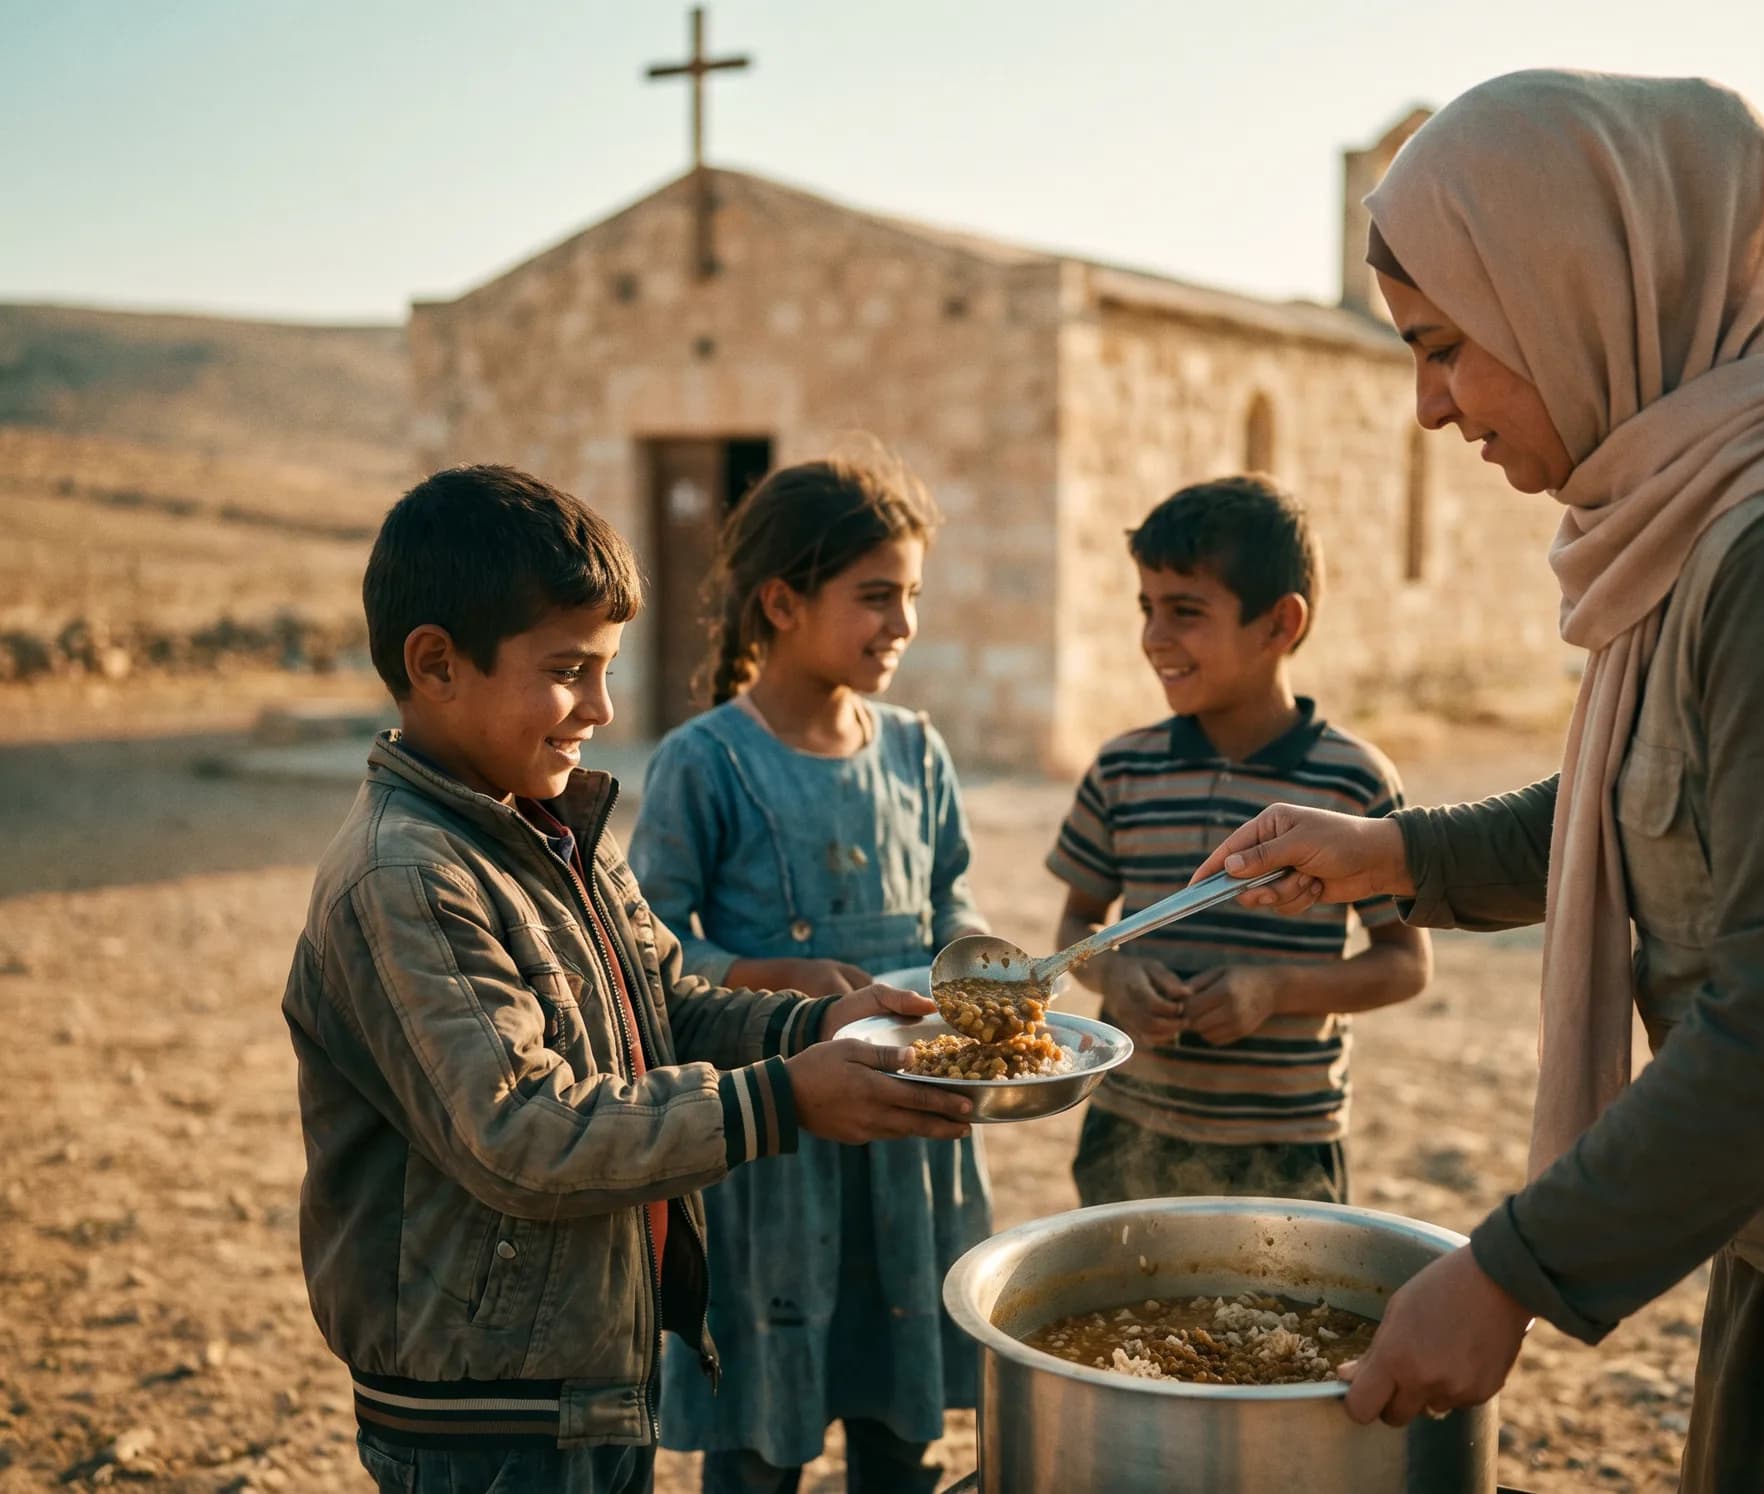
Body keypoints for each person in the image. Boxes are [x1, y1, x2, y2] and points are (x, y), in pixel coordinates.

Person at [1193, 71, 1764, 1493]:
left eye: (1446, 347)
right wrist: (1391, 855)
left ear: (1577, 288)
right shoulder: (1704, 506)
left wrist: (1508, 1269)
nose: (1430, 408)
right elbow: (1663, 813)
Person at [283, 465, 972, 1494]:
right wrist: (785, 1098)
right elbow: (526, 1132)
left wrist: (825, 1020)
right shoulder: (406, 877)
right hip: (487, 1419)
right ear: (435, 664)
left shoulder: (550, 824)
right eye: (569, 670)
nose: (602, 707)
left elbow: (668, 1001)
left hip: (593, 1370)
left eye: (607, 669)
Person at [630, 456, 991, 1494]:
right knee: (759, 1429)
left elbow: (948, 899)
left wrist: (973, 973)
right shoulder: (706, 761)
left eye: (911, 596)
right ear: (782, 603)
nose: (902, 623)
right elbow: (648, 950)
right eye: (876, 596)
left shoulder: (917, 752)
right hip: (775, 1143)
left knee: (899, 1419)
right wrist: (767, 973)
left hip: (907, 1136)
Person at [1045, 475, 1432, 1207]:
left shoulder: (1353, 784)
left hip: (1286, 1147)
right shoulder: (1122, 769)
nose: (1155, 637)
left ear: (1280, 625)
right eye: (1147, 609)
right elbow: (1075, 927)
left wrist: (1276, 990)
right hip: (1127, 1126)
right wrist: (1112, 973)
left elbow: (1405, 964)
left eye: (1185, 612)